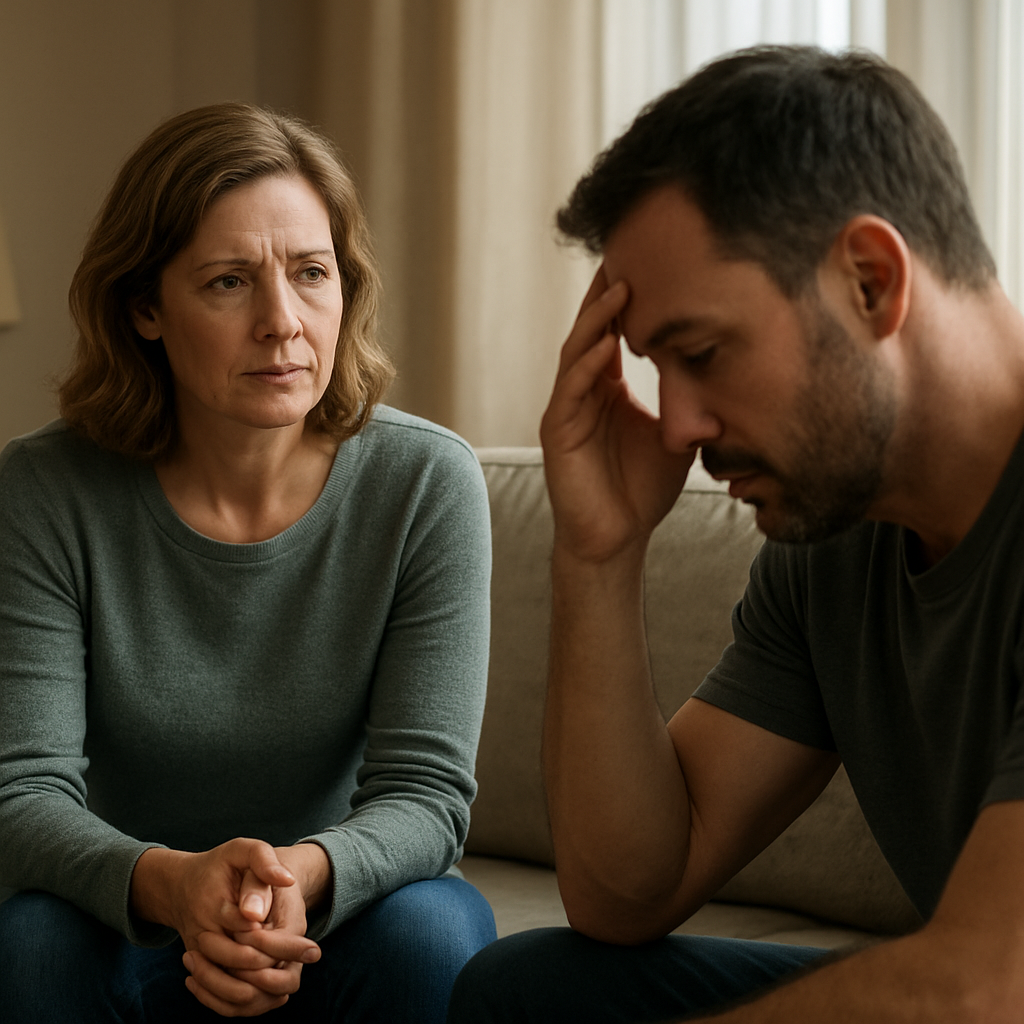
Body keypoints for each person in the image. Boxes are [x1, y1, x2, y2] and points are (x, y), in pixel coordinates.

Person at [446, 45, 1024, 1023]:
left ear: (871, 281)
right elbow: (625, 892)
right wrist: (598, 554)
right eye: (654, 368)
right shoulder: (835, 538)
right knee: (537, 992)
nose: (677, 426)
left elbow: (986, 986)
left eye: (701, 353)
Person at [0, 102, 496, 1022]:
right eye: (229, 282)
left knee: (436, 931)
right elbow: (21, 796)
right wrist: (175, 885)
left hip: (328, 919)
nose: (282, 322)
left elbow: (426, 798)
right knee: (29, 939)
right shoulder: (44, 490)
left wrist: (295, 881)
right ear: (145, 307)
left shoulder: (427, 482)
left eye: (311, 273)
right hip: (126, 918)